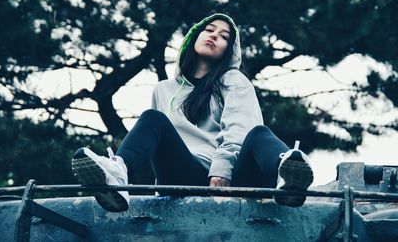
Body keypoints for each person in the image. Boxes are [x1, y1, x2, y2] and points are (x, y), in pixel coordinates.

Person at [71, 13, 314, 212]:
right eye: (209, 30)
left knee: (259, 133)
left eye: (223, 36)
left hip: (232, 179)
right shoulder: (164, 89)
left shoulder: (233, 80)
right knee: (152, 119)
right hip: (183, 176)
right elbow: (155, 147)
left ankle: (288, 178)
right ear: (194, 37)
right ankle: (116, 176)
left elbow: (239, 129)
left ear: (228, 50)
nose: (214, 36)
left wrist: (222, 168)